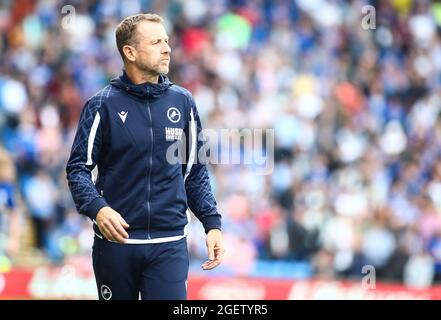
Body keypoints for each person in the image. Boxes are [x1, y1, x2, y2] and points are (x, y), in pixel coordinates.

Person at [66, 13, 224, 300]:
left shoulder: (183, 101)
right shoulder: (102, 104)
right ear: (130, 52)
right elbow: (78, 169)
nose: (167, 48)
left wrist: (211, 223)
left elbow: (195, 170)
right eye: (156, 42)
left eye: (166, 41)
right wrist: (98, 208)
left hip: (170, 243)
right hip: (116, 244)